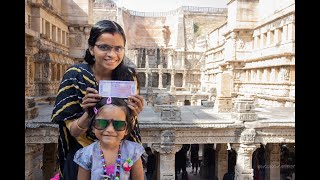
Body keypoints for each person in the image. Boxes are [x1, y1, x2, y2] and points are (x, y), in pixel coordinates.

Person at [50, 20, 145, 180]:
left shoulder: (128, 76)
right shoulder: (75, 76)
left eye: (118, 48)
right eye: (104, 47)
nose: (112, 55)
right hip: (84, 157)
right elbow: (73, 132)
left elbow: (127, 124)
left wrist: (134, 113)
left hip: (122, 156)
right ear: (91, 49)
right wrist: (87, 114)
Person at [73, 97, 145, 179]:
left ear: (127, 129)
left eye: (118, 124)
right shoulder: (86, 155)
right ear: (93, 127)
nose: (110, 130)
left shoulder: (132, 152)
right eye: (102, 123)